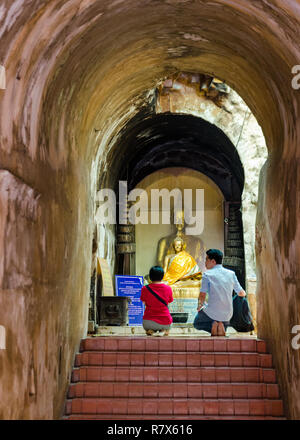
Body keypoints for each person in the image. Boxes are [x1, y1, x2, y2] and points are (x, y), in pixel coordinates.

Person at [193, 249, 246, 336]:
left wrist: (200, 306)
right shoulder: (231, 274)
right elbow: (241, 293)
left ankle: (214, 324)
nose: (205, 262)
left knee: (197, 323)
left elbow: (202, 294)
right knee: (238, 299)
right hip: (228, 315)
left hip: (212, 313)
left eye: (206, 259)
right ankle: (220, 325)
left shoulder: (207, 274)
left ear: (213, 261)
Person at [140, 266, 174, 336]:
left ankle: (151, 330)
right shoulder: (168, 288)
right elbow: (170, 301)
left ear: (150, 276)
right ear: (162, 276)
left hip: (148, 322)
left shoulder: (145, 288)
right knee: (166, 326)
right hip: (166, 322)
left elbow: (143, 302)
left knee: (149, 326)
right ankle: (164, 330)